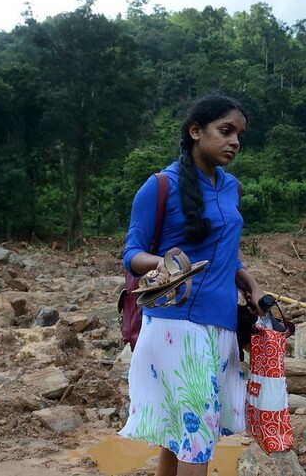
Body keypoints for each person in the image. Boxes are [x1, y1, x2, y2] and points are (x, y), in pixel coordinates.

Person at [120, 93, 265, 476]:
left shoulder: (232, 187)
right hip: (176, 325)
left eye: (240, 135)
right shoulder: (159, 186)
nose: (234, 141)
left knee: (183, 433)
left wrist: (250, 283)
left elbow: (226, 254)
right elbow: (131, 254)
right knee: (198, 435)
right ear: (196, 131)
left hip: (221, 326)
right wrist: (166, 263)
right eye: (226, 130)